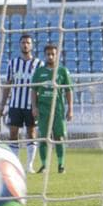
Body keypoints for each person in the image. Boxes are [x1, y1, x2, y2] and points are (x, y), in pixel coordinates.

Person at [31, 43, 74, 174]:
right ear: (45, 56)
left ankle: (61, 165)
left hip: (58, 110)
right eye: (48, 54)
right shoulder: (39, 72)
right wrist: (34, 107)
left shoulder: (62, 71)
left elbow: (68, 90)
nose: (50, 56)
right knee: (43, 137)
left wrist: (70, 108)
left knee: (59, 138)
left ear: (57, 55)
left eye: (53, 54)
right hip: (43, 110)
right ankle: (44, 165)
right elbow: (33, 90)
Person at [1, 33, 40, 172]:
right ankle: (15, 164)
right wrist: (2, 104)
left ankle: (29, 165)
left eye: (28, 43)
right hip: (15, 105)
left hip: (31, 105)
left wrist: (38, 105)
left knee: (31, 133)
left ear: (32, 45)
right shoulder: (12, 63)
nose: (25, 45)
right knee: (13, 134)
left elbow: (40, 86)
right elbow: (8, 84)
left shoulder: (38, 64)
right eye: (23, 42)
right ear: (19, 44)